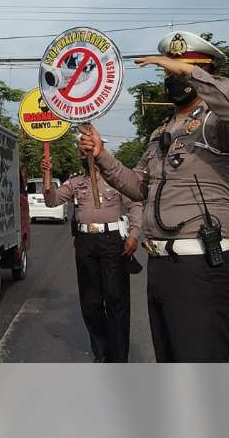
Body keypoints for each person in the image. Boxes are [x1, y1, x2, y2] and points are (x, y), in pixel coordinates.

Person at [79, 30, 229, 363]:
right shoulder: (161, 131)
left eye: (177, 69)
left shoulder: (217, 124)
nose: (171, 77)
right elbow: (138, 187)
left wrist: (190, 73)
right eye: (167, 71)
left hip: (201, 265)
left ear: (203, 72)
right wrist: (102, 154)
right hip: (163, 267)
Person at [41, 151, 142, 363]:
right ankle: (102, 352)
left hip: (112, 241)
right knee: (90, 303)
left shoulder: (116, 180)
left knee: (116, 300)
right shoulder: (76, 182)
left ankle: (119, 357)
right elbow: (52, 201)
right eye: (82, 154)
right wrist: (47, 176)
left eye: (89, 153)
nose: (85, 157)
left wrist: (133, 234)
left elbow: (135, 204)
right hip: (86, 243)